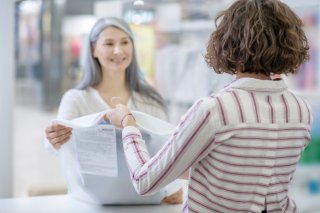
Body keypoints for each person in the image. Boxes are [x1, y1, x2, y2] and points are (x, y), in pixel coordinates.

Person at [106, 0, 312, 212]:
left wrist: (127, 123)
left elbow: (145, 180)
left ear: (228, 41)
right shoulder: (300, 110)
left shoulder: (215, 110)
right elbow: (248, 173)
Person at [44, 17, 182, 204]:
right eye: (109, 43)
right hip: (91, 204)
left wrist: (173, 187)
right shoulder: (76, 98)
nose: (118, 50)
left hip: (146, 203)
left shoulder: (150, 99)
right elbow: (54, 147)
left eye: (124, 42)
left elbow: (167, 149)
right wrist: (54, 138)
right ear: (93, 49)